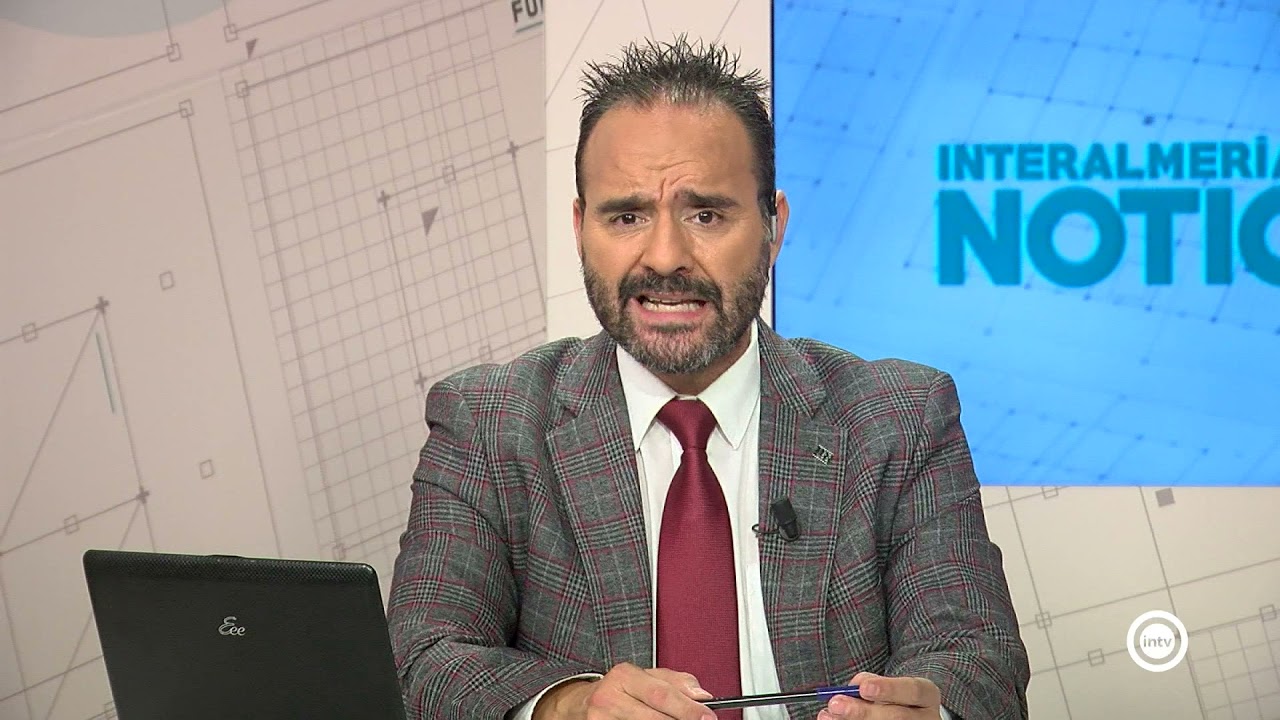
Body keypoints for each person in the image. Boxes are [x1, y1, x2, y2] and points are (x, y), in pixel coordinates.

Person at [388, 36, 1030, 720]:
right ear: (579, 228)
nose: (665, 256)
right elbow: (422, 660)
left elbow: (979, 663)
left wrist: (932, 712)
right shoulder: (487, 422)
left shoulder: (901, 418)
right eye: (627, 215)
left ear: (773, 228)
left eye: (706, 215)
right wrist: (567, 707)